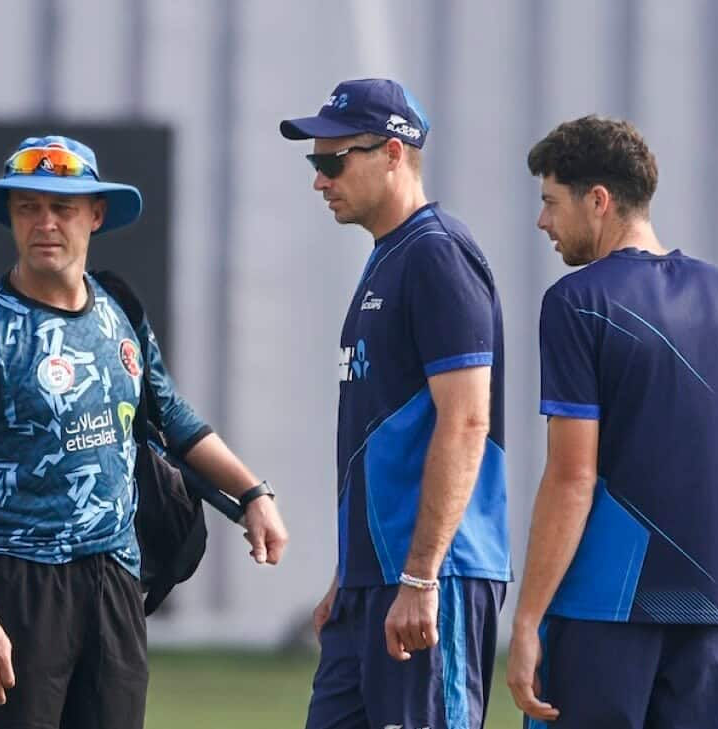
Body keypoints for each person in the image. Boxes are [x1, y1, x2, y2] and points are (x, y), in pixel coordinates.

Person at [0, 135, 289, 728]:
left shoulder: (120, 312)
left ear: (95, 214)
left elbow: (169, 416)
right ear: (10, 218)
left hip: (115, 581)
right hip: (17, 587)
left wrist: (252, 496)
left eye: (63, 207)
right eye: (28, 208)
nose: (45, 223)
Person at [507, 115, 718, 728]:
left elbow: (572, 479)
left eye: (550, 203)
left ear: (598, 200)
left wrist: (528, 620)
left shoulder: (577, 303)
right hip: (708, 616)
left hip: (598, 615)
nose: (542, 222)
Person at [280, 79, 512, 729]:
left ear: (390, 152)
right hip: (373, 581)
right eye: (314, 163)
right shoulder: (390, 258)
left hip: (433, 575)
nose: (320, 181)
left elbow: (466, 421)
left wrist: (419, 577)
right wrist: (347, 577)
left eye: (332, 162)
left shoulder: (437, 255)